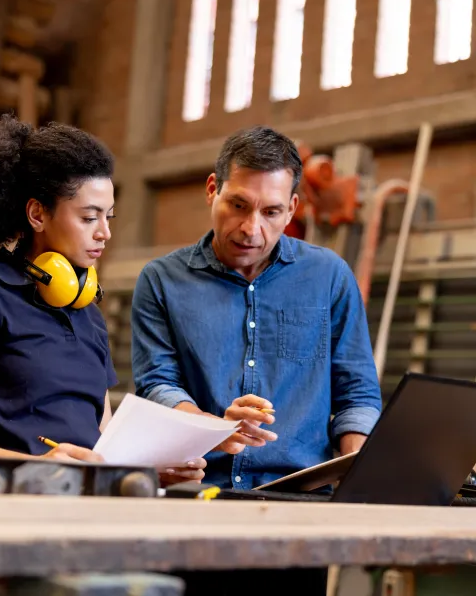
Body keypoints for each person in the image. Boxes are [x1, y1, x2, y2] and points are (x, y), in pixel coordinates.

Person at [0, 114, 205, 485]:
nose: (104, 232)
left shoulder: (87, 311)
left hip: (82, 509)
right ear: (38, 214)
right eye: (89, 217)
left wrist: (148, 471)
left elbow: (102, 443)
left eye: (109, 217)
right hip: (6, 506)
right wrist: (38, 464)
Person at [131, 125, 382, 492]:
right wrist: (215, 429)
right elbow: (158, 384)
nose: (252, 229)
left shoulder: (329, 276)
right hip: (201, 490)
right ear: (212, 189)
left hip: (305, 496)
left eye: (271, 212)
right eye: (238, 205)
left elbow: (357, 394)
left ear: (292, 208)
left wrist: (357, 477)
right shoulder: (161, 281)